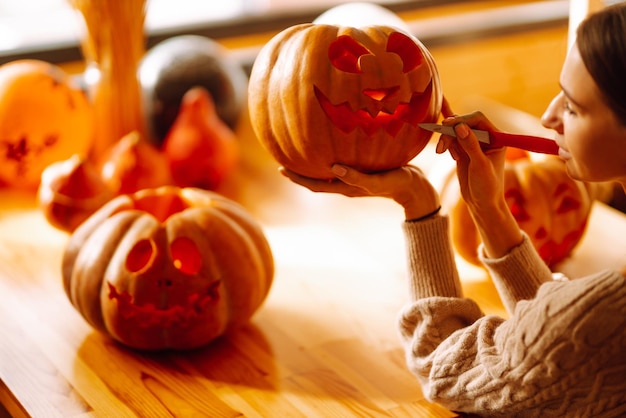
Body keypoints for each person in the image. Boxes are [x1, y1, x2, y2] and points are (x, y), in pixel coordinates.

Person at [279, 4, 626, 417]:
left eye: (572, 107)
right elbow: (555, 339)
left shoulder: (605, 318)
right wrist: (489, 207)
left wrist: (419, 206)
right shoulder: (594, 322)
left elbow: (445, 369)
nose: (548, 117)